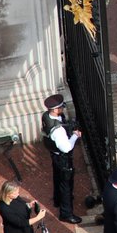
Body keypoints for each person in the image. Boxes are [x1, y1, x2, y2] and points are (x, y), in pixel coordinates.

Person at [41, 94, 82, 225]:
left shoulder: (47, 116)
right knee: (66, 185)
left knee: (57, 177)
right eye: (61, 107)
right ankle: (66, 213)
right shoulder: (58, 130)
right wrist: (75, 136)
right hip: (62, 157)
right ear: (54, 109)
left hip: (55, 155)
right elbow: (66, 147)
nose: (63, 109)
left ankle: (58, 199)